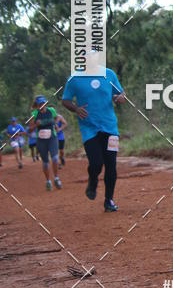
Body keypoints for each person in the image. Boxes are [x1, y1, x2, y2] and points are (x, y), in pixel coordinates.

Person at [61, 67, 126, 212]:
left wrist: (120, 97)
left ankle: (109, 200)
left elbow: (121, 94)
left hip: (111, 128)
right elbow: (65, 100)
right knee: (96, 163)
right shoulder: (75, 78)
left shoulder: (109, 74)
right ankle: (93, 181)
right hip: (89, 128)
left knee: (111, 164)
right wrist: (76, 109)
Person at [31, 97, 63, 191]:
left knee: (55, 158)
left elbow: (57, 118)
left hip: (52, 138)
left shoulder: (51, 110)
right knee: (45, 162)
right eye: (40, 104)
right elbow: (30, 128)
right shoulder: (34, 114)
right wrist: (36, 125)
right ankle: (48, 181)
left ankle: (56, 178)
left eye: (43, 103)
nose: (42, 106)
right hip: (41, 140)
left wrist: (56, 124)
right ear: (37, 105)